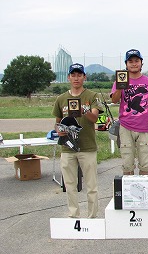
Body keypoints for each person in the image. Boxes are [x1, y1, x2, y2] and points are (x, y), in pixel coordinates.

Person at [53, 63, 103, 218]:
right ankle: (73, 215)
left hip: (87, 147)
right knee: (69, 184)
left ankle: (92, 216)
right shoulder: (61, 99)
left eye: (79, 75)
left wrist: (85, 110)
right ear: (68, 77)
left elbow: (95, 118)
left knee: (91, 185)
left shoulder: (93, 96)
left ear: (84, 77)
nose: (76, 78)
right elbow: (57, 122)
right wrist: (59, 131)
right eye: (73, 75)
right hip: (68, 148)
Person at [110, 49, 148, 175]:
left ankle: (145, 192)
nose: (134, 64)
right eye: (130, 61)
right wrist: (120, 87)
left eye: (136, 61)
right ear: (126, 64)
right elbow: (115, 100)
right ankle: (129, 193)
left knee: (145, 164)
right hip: (125, 126)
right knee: (127, 164)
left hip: (145, 127)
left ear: (141, 63)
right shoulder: (119, 80)